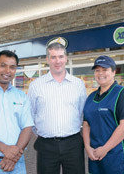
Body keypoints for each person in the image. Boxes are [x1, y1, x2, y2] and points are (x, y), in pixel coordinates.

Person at [28, 42, 87, 174]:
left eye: (60, 56)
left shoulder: (78, 84)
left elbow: (82, 112)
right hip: (46, 145)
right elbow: (31, 114)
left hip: (73, 144)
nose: (57, 61)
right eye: (53, 57)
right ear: (47, 60)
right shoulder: (36, 85)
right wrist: (45, 133)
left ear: (66, 58)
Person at [82, 55, 124, 174]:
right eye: (97, 70)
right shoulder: (91, 97)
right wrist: (87, 147)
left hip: (118, 152)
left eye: (105, 70)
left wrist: (105, 149)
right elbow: (86, 124)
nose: (100, 73)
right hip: (96, 153)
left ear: (113, 72)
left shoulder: (122, 93)